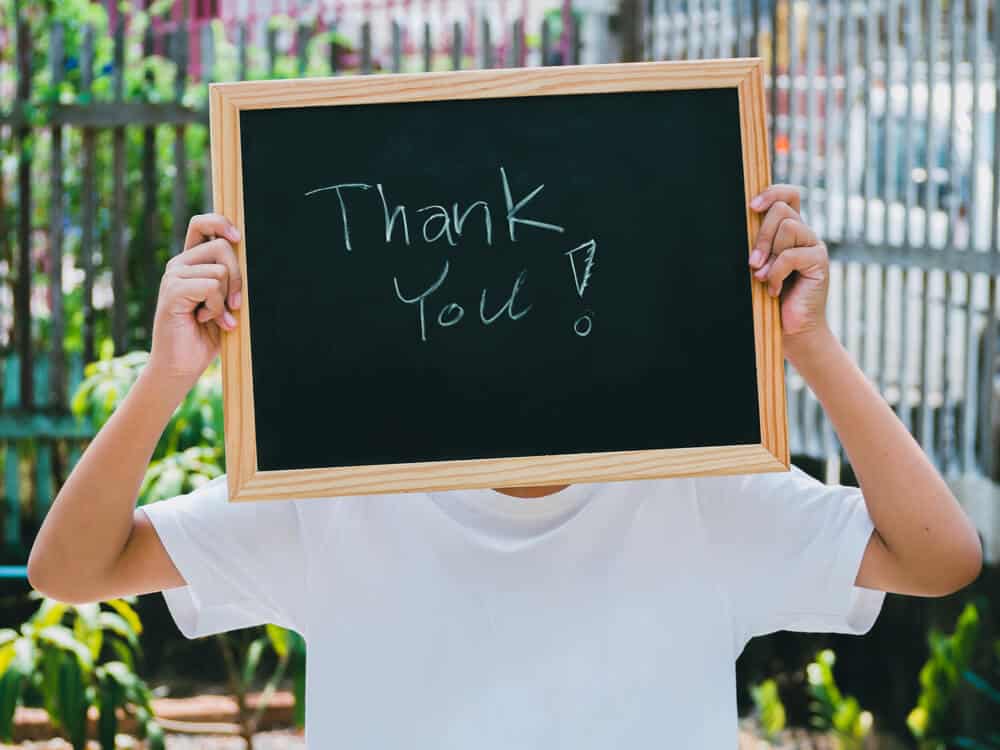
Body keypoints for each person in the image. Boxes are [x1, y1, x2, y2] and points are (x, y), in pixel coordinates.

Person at [28, 184, 982, 748]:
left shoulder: (700, 489)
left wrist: (812, 348)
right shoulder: (336, 501)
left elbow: (939, 557)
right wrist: (166, 377)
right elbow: (70, 571)